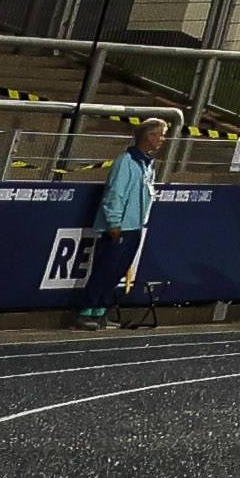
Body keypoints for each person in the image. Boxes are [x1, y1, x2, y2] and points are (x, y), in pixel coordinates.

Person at [78, 121, 162, 326]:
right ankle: (85, 312)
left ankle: (100, 311)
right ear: (148, 136)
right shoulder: (126, 162)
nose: (162, 139)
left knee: (116, 272)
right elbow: (115, 195)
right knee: (104, 270)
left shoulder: (146, 164)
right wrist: (114, 224)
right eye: (160, 135)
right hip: (120, 228)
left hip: (135, 227)